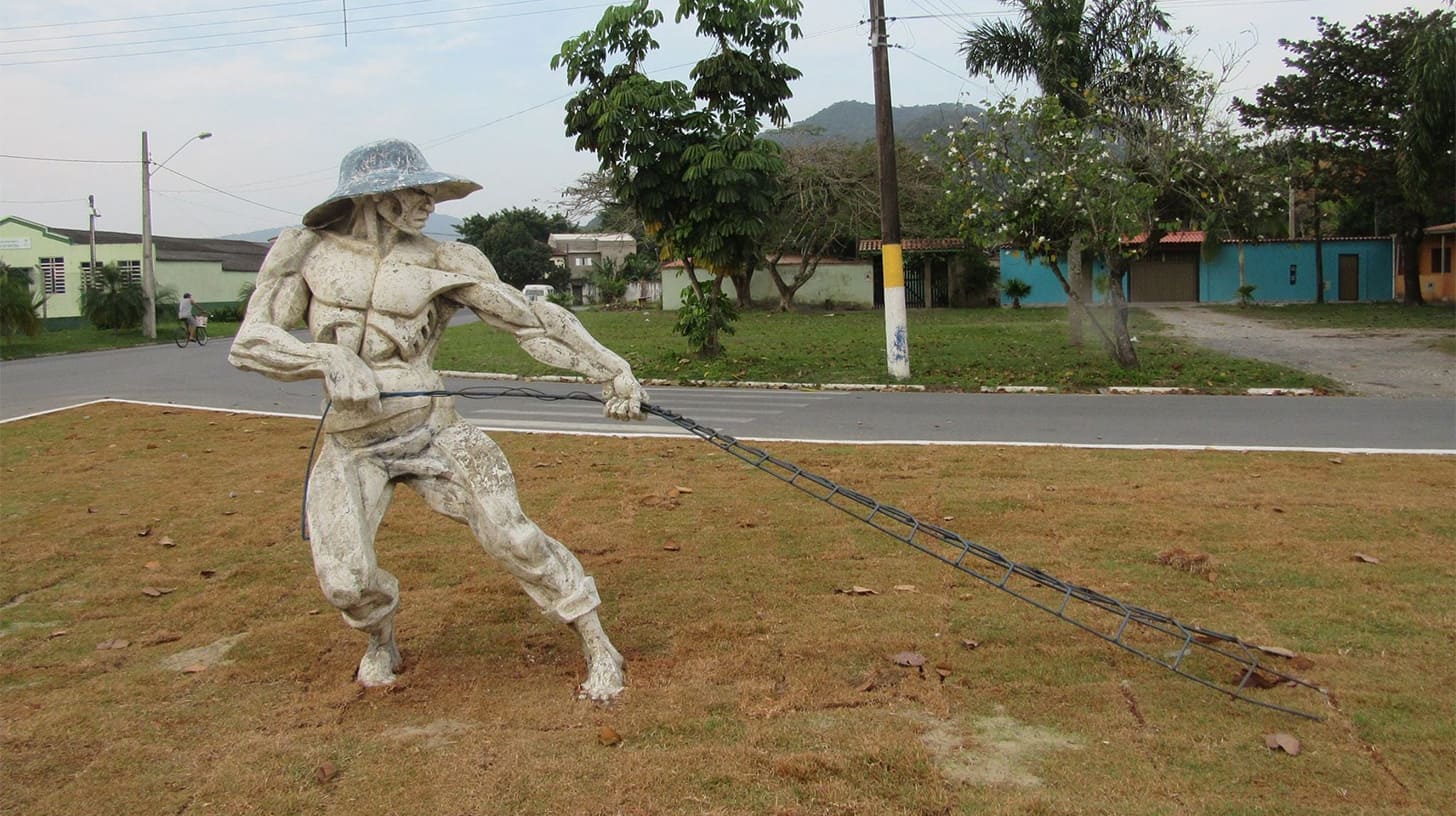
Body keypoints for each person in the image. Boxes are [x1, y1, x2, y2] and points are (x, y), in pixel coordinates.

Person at [228, 139, 646, 700]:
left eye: (430, 191)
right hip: (351, 445)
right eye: (414, 190)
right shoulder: (304, 252)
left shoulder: (447, 259)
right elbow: (251, 341)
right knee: (345, 582)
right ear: (371, 195)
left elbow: (529, 321)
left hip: (434, 431)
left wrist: (612, 369)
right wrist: (323, 356)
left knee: (513, 534)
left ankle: (599, 644)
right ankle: (381, 641)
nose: (428, 201)